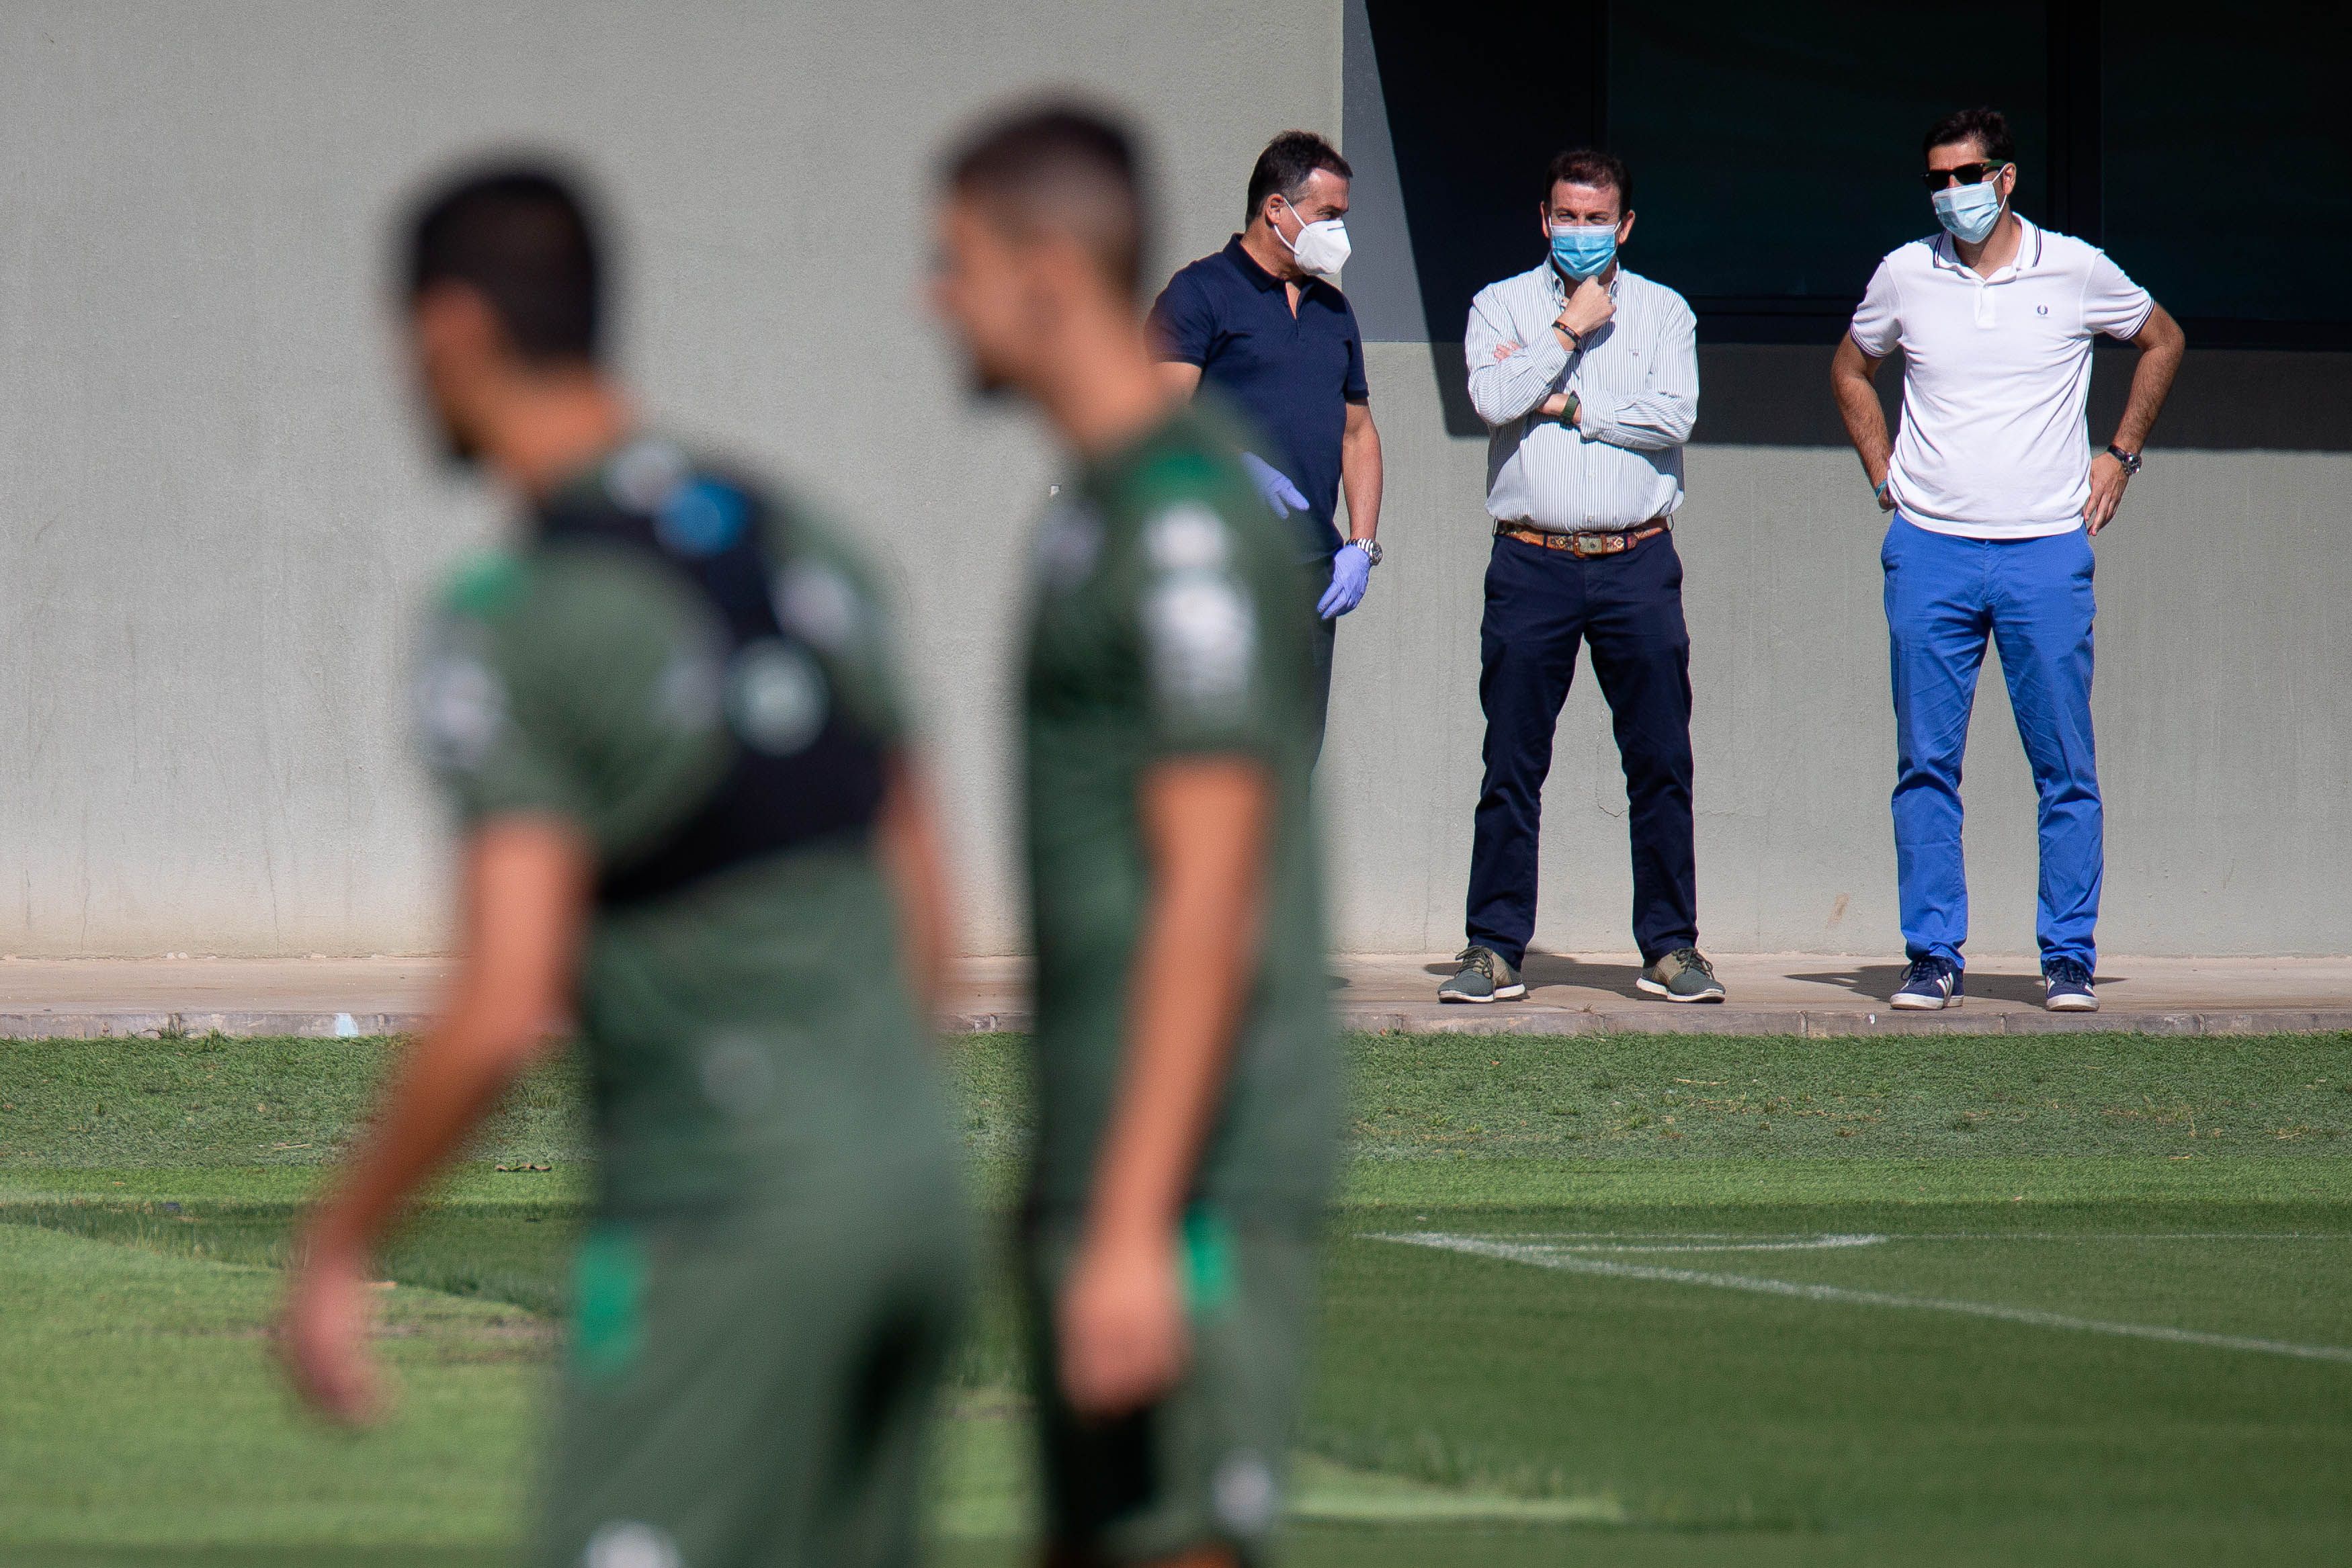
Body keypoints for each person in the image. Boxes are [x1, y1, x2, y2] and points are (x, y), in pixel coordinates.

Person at [278, 165, 971, 1568]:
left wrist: (338, 1240)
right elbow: (930, 924)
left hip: (719, 1219)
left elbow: (502, 1001)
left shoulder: (513, 615)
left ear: (452, 332)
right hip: (914, 1199)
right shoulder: (802, 537)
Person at [931, 103, 1337, 1567]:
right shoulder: (1096, 515)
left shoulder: (1178, 522)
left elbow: (1212, 891)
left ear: (1044, 269)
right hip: (1106, 1154)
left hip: (1192, 1172)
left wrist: (1132, 1216)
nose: (935, 297)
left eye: (956, 260)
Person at [1831, 107, 2184, 1013]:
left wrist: (2122, 456)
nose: (1954, 194)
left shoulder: (2072, 268)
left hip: (2043, 552)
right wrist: (1884, 477)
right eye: (1939, 180)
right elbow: (1850, 367)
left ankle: (2068, 956)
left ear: (2008, 177)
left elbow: (2163, 338)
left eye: (1969, 175)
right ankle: (1932, 955)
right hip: (1931, 550)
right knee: (1925, 765)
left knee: (2065, 764)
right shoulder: (1904, 274)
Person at [1439, 148, 1723, 1006]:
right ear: (1542, 218)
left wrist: (1566, 403)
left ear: (1624, 225)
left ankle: (1670, 947)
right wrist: (1565, 333)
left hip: (1635, 559)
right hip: (1532, 560)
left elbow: (1672, 417)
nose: (1580, 233)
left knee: (1660, 760)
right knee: (1511, 763)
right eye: (1566, 216)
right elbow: (1491, 399)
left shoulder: (1664, 312)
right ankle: (1492, 947)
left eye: (1597, 219)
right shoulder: (1500, 303)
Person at [1147, 130, 1383, 763]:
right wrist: (1233, 466)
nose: (1340, 233)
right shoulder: (1200, 293)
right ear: (1276, 210)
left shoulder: (1333, 311)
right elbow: (1154, 415)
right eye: (1328, 216)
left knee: (1294, 757)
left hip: (1309, 574)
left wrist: (1360, 545)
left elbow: (1358, 433)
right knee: (1214, 758)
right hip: (1221, 566)